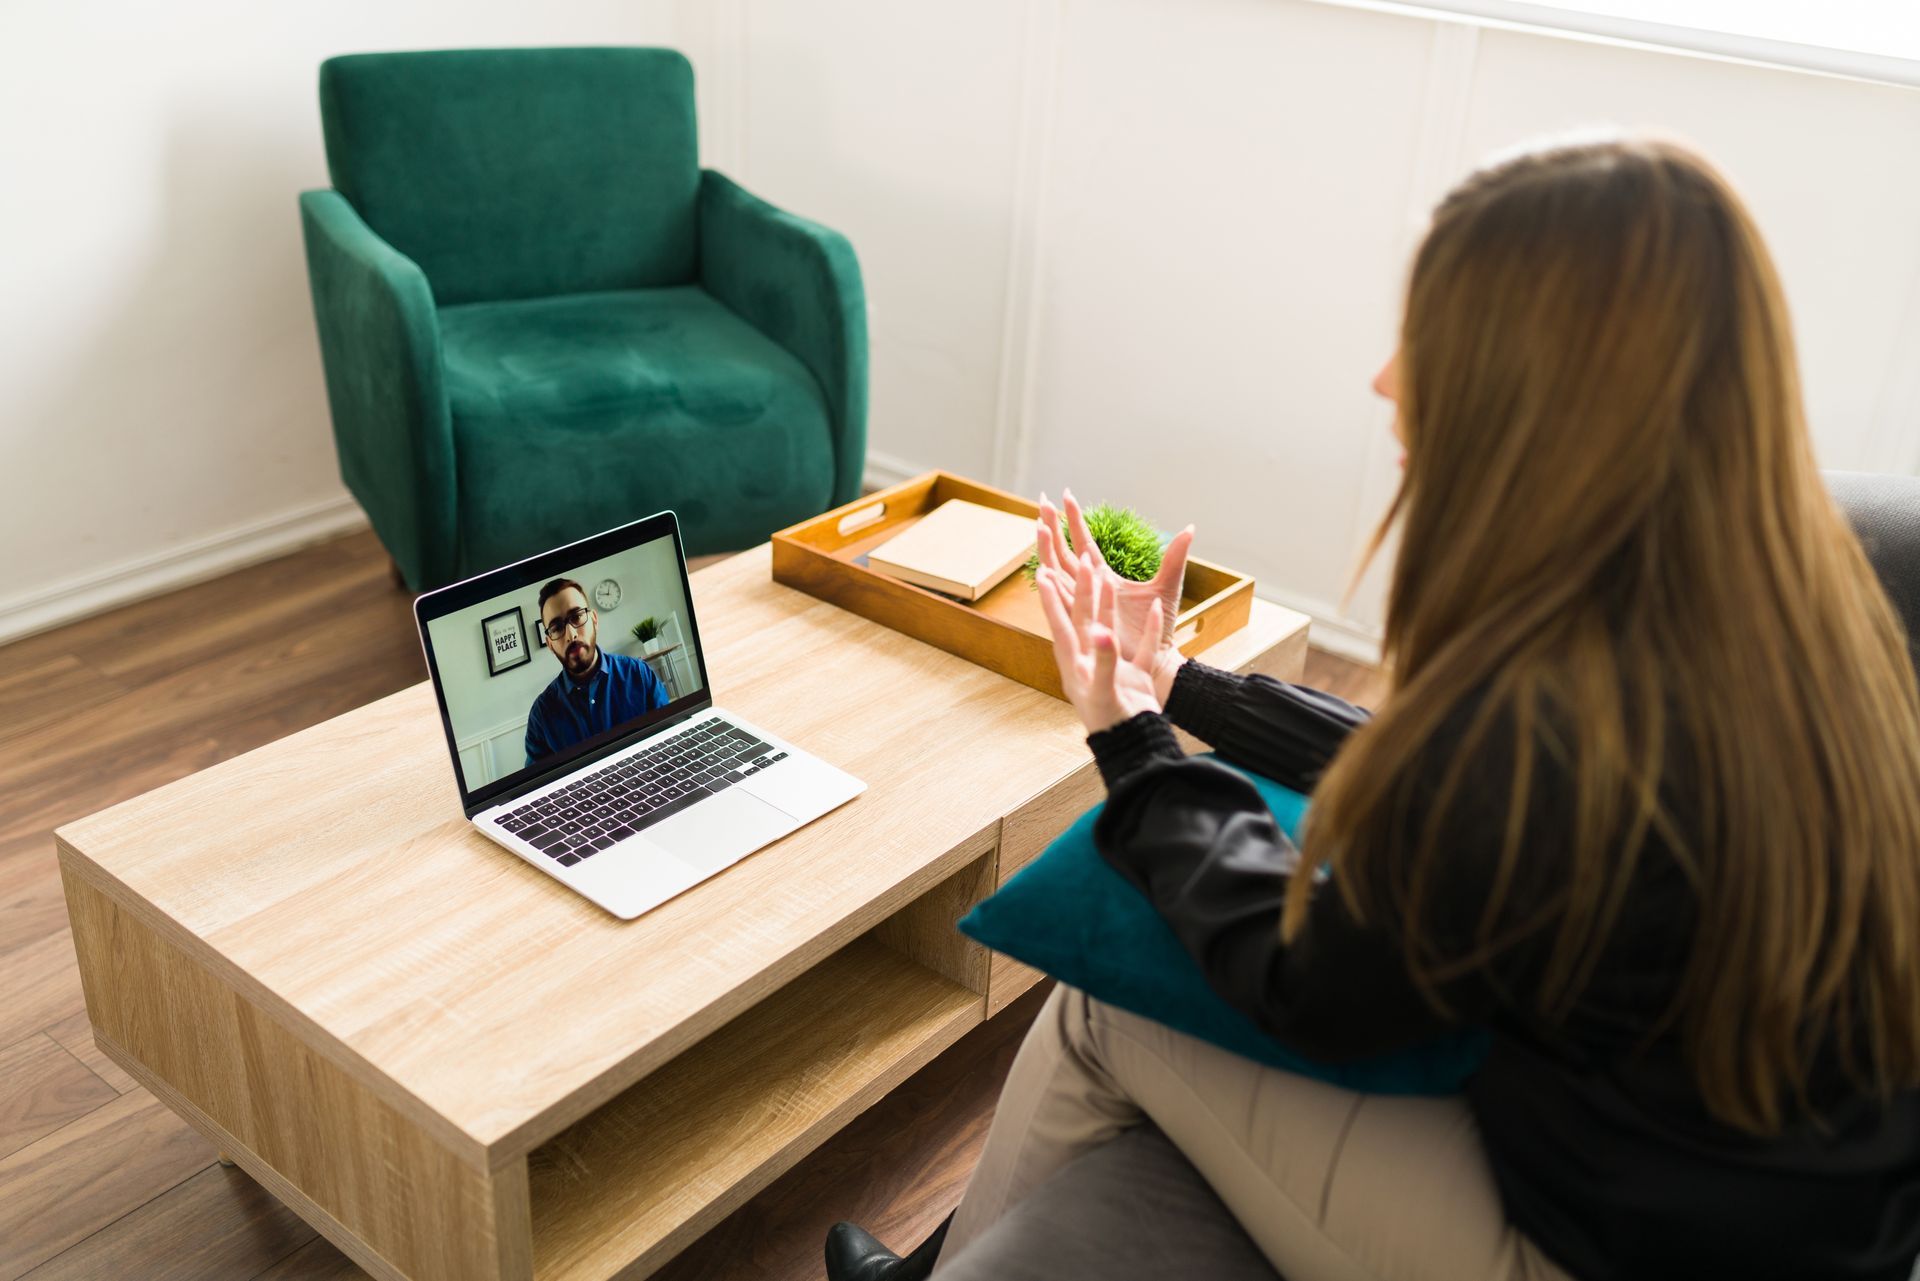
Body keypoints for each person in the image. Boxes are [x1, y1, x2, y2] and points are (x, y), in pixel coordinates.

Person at [826, 136, 1920, 1281]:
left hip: (1615, 1254)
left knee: (1110, 1007)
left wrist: (1132, 744)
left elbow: (1313, 979)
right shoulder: (1788, 612)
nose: (1387, 380)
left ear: (1533, 388)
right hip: (1794, 1224)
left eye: (1429, 337)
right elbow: (1429, 780)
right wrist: (1183, 690)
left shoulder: (1559, 696)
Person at [524, 577, 670, 767]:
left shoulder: (638, 675)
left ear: (593, 620)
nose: (571, 635)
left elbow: (670, 739)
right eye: (557, 627)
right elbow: (537, 786)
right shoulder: (541, 716)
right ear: (550, 644)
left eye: (576, 616)